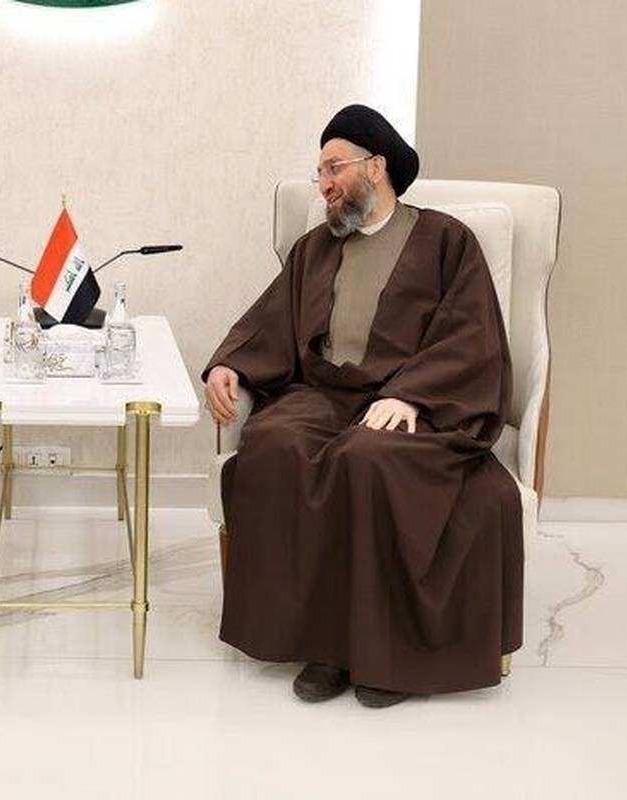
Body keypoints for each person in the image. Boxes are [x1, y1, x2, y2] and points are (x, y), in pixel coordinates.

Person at [203, 105, 522, 708]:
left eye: (333, 168)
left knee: (366, 458)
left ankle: (385, 656)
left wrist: (410, 393)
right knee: (273, 444)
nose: (322, 184)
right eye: (319, 172)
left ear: (376, 167)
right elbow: (271, 321)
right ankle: (324, 645)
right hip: (323, 394)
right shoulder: (314, 248)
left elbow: (472, 336)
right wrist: (231, 365)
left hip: (412, 400)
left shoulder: (446, 240)